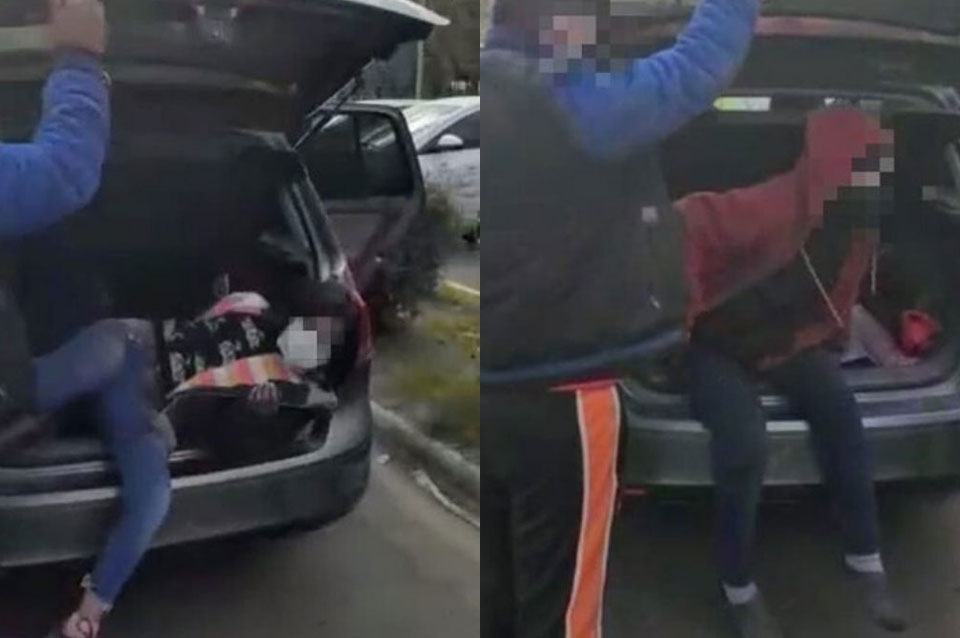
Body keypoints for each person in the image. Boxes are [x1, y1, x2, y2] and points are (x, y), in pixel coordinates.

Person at [482, 2, 760, 637]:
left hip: (495, 381)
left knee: (500, 591)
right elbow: (693, 70)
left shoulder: (498, 85)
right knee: (564, 608)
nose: (598, 29)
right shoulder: (567, 99)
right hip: (564, 393)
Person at [675, 106, 906, 637]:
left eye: (879, 166)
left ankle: (866, 561)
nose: (875, 178)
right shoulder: (774, 205)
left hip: (782, 342)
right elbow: (687, 219)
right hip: (713, 342)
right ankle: (737, 587)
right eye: (865, 164)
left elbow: (842, 291)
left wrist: (830, 338)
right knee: (744, 439)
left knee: (840, 409)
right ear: (833, 162)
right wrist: (680, 316)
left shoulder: (858, 225)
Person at [0, 2, 168, 637]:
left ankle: (87, 617)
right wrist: (78, 61)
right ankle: (89, 617)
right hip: (36, 382)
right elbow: (66, 169)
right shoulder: (134, 353)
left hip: (48, 378)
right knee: (126, 344)